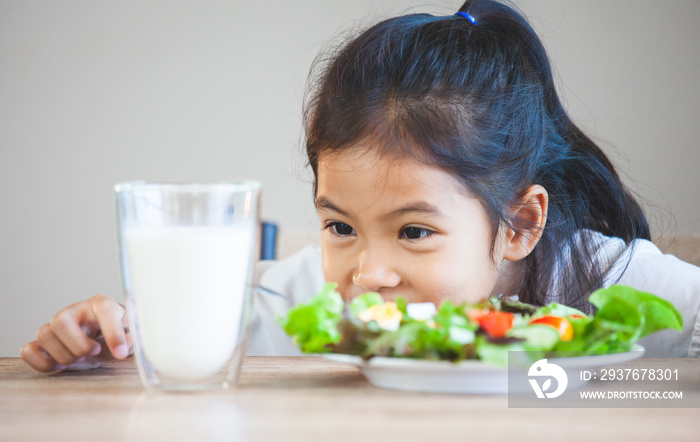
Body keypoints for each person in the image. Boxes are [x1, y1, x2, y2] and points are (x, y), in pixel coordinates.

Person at [21, 0, 700, 372]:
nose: (367, 273)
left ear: (518, 224)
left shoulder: (600, 280)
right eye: (340, 227)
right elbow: (191, 338)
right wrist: (110, 338)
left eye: (414, 231)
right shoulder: (308, 297)